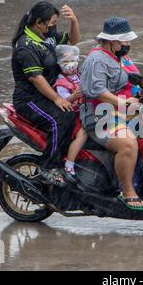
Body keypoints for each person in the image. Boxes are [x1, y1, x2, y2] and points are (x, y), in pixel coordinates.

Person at [80, 17, 143, 210]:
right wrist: (123, 103)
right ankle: (127, 192)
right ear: (112, 42)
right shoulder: (96, 60)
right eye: (125, 41)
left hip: (123, 110)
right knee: (128, 144)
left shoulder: (121, 57)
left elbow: (137, 78)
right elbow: (97, 91)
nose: (128, 44)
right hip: (99, 115)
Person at [11, 1, 81, 186]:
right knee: (61, 119)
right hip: (30, 99)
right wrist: (58, 99)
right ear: (39, 22)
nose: (53, 27)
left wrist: (74, 21)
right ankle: (49, 167)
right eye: (51, 23)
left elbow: (73, 41)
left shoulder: (46, 35)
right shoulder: (26, 46)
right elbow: (36, 78)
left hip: (48, 92)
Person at [53, 44, 88, 184]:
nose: (70, 65)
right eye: (65, 62)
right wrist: (74, 96)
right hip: (74, 114)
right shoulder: (61, 81)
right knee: (84, 132)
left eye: (73, 60)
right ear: (58, 63)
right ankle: (69, 164)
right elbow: (63, 101)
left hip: (87, 109)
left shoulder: (79, 74)